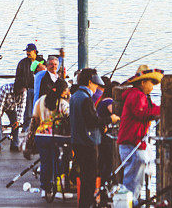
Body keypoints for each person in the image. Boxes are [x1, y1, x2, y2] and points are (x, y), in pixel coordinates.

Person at [70, 69, 119, 208]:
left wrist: (99, 125)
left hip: (77, 141)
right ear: (90, 82)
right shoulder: (86, 98)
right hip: (87, 143)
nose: (96, 87)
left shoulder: (75, 96)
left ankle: (84, 204)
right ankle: (87, 204)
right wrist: (110, 119)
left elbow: (82, 119)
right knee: (89, 179)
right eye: (95, 84)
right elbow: (92, 121)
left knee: (85, 177)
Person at [116, 66, 163, 201]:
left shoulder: (141, 96)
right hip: (132, 143)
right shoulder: (137, 95)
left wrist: (161, 108)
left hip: (132, 142)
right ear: (143, 82)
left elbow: (151, 108)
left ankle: (131, 201)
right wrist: (162, 111)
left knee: (135, 177)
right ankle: (130, 202)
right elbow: (141, 112)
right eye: (151, 83)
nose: (152, 87)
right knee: (133, 179)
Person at [32, 78, 71, 199]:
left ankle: (45, 189)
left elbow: (35, 118)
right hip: (56, 137)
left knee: (45, 162)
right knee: (59, 162)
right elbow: (70, 116)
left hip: (41, 135)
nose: (67, 93)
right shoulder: (62, 103)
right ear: (61, 91)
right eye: (65, 91)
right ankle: (59, 190)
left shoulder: (41, 100)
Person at [0, 82, 25, 153]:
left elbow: (21, 107)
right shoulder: (5, 89)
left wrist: (18, 121)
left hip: (11, 106)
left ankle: (14, 144)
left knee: (15, 123)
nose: (20, 93)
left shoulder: (23, 92)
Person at [15, 43, 38, 132]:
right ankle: (26, 129)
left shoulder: (41, 61)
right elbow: (18, 77)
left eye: (29, 51)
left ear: (34, 51)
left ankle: (37, 130)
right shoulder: (22, 63)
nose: (27, 53)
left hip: (38, 90)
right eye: (27, 51)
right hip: (27, 90)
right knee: (27, 112)